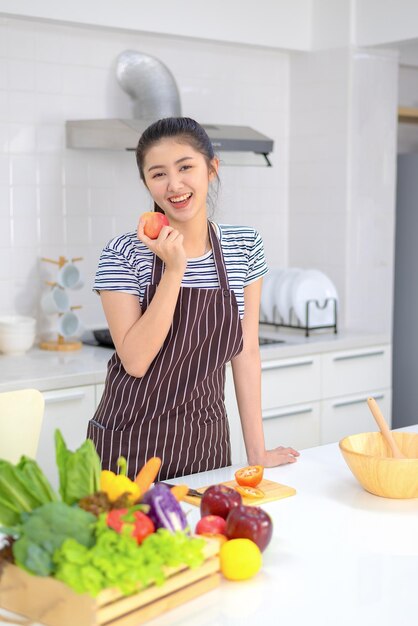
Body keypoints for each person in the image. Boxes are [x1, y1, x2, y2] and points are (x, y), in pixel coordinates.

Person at [87, 117, 299, 481]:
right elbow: (136, 360)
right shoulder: (123, 252)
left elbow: (246, 353)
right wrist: (174, 270)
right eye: (158, 174)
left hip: (205, 446)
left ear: (212, 169)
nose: (174, 184)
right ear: (146, 183)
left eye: (185, 167)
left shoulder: (244, 247)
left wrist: (257, 453)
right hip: (128, 448)